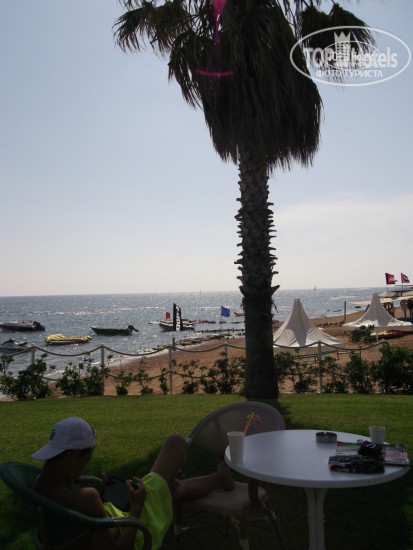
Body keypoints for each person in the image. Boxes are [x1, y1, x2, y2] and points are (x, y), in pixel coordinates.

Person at [32, 416, 234, 550]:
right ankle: (219, 477)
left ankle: (219, 478)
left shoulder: (38, 486)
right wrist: (136, 507)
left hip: (115, 518)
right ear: (74, 456)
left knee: (170, 488)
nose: (84, 469)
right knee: (175, 442)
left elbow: (89, 522)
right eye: (86, 461)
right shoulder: (87, 498)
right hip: (132, 526)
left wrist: (104, 501)